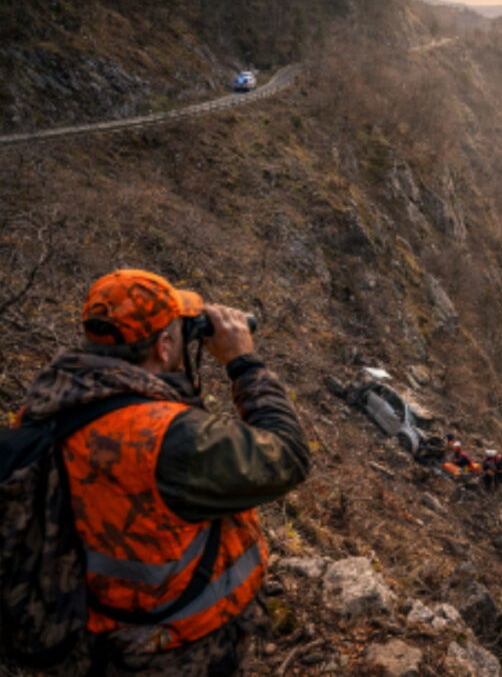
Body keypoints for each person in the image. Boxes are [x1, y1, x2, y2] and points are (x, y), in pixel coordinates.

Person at [17, 269, 310, 675]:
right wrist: (243, 362)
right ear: (165, 344)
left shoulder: (50, 403)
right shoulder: (167, 438)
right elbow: (290, 455)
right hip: (180, 649)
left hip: (100, 634)